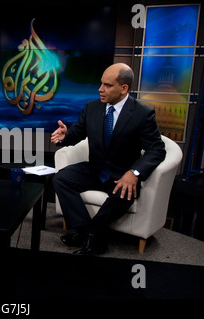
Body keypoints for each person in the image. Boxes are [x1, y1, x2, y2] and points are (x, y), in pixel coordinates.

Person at [50, 63, 166, 256]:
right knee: (61, 178)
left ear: (124, 88)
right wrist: (65, 136)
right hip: (95, 170)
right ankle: (83, 230)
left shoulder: (142, 114)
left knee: (122, 194)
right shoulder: (92, 108)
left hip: (122, 175)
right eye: (101, 84)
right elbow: (77, 133)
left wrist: (134, 173)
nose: (100, 89)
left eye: (107, 85)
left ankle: (94, 240)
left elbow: (157, 149)